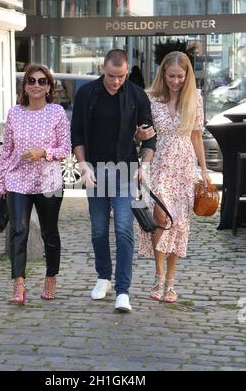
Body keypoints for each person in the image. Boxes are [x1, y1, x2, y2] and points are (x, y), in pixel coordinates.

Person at [71, 49, 156, 312]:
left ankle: (123, 290)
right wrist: (83, 165)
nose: (115, 81)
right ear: (102, 68)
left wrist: (146, 164)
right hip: (95, 170)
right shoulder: (87, 94)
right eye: (111, 75)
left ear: (127, 71)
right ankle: (103, 277)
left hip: (125, 170)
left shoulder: (136, 94)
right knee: (98, 229)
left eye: (121, 76)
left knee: (122, 229)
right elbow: (77, 133)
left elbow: (150, 135)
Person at [136, 51, 211, 303]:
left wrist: (204, 171)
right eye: (171, 76)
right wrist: (140, 145)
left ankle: (170, 280)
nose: (176, 81)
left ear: (187, 75)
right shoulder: (150, 98)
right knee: (160, 217)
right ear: (163, 74)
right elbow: (142, 134)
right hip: (158, 163)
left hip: (183, 165)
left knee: (178, 221)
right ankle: (158, 276)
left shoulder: (195, 99)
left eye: (181, 76)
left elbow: (197, 136)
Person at [0, 63, 71, 304]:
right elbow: (6, 151)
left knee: (50, 231)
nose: (36, 85)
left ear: (49, 86)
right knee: (19, 229)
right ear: (25, 86)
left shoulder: (57, 112)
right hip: (17, 180)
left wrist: (43, 152)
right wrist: (1, 181)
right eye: (31, 81)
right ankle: (18, 284)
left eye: (42, 81)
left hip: (48, 181)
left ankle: (50, 277)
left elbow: (65, 150)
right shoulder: (14, 113)